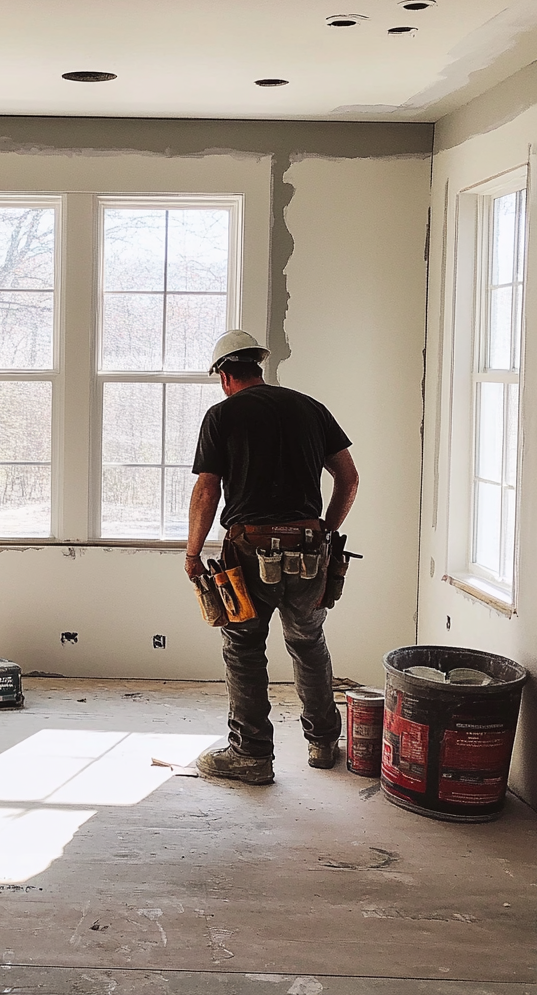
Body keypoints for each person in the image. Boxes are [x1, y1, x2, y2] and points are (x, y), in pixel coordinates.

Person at [185, 330, 360, 785]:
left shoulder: (222, 415)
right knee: (308, 641)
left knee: (244, 648)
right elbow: (349, 478)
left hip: (248, 550)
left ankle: (251, 755)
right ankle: (323, 743)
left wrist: (191, 552)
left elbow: (207, 489)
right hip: (308, 547)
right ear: (259, 367)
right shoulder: (310, 408)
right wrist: (326, 529)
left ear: (224, 376)